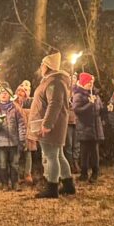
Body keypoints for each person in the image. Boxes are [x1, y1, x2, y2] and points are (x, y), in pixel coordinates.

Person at [27, 52, 73, 198]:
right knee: (58, 156)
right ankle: (68, 185)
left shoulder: (54, 82)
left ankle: (52, 188)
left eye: (43, 64)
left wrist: (47, 124)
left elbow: (55, 104)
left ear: (47, 66)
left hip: (51, 126)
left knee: (51, 156)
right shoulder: (52, 81)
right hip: (53, 125)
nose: (40, 67)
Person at [0, 84, 26, 190]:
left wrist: (22, 139)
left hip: (14, 142)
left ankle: (15, 183)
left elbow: (21, 124)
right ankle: (4, 184)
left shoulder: (15, 109)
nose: (3, 95)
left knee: (15, 164)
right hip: (1, 143)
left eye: (6, 93)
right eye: (1, 93)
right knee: (2, 164)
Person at [72, 72, 104, 183]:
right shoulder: (78, 95)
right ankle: (84, 173)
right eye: (88, 82)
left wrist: (105, 108)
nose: (91, 84)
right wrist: (90, 104)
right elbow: (77, 110)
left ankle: (95, 173)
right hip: (85, 128)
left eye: (92, 82)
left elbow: (100, 108)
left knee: (95, 152)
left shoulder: (95, 94)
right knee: (84, 152)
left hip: (95, 127)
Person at [16, 80, 41, 185]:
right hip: (17, 131)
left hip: (29, 130)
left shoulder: (30, 102)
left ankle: (27, 173)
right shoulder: (13, 104)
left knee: (28, 153)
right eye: (19, 92)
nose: (21, 94)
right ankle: (16, 175)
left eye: (23, 92)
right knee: (16, 154)